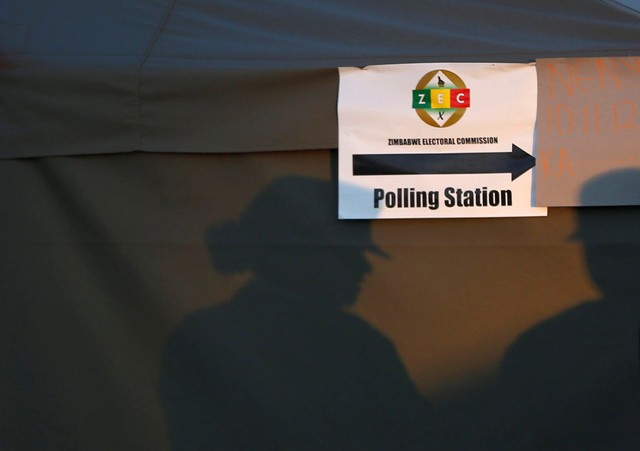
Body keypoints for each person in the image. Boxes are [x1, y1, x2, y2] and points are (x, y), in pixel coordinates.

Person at [161, 175, 434, 450]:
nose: (364, 268)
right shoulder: (358, 343)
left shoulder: (202, 337)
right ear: (297, 252)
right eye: (346, 254)